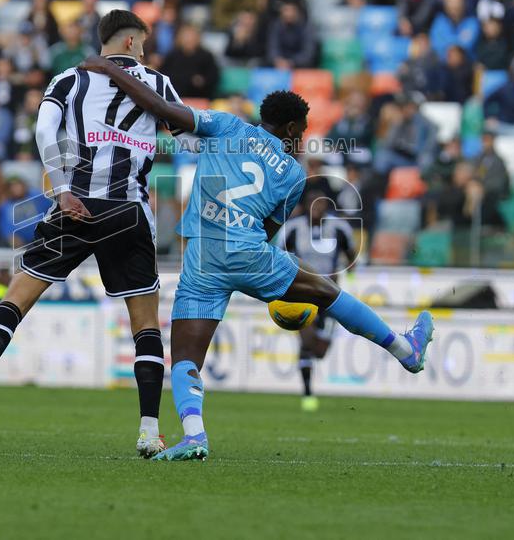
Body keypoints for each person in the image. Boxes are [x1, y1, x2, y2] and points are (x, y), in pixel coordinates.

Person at [80, 55, 433, 461]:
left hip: (202, 256)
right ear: (288, 128)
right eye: (301, 131)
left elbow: (161, 110)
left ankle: (194, 435)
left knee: (186, 358)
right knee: (328, 292)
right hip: (247, 250)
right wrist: (265, 280)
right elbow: (268, 231)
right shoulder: (295, 175)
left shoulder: (227, 125)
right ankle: (405, 350)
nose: (302, 138)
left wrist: (112, 70)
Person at [0, 11, 186, 459]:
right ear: (131, 43)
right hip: (128, 212)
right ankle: (149, 430)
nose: (146, 51)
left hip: (74, 207)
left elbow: (42, 129)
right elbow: (181, 126)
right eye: (144, 43)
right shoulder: (158, 83)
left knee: (15, 300)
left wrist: (64, 188)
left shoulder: (69, 79)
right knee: (145, 325)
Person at [277, 189, 358, 411]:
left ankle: (316, 350)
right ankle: (307, 393)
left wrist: (345, 272)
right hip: (302, 294)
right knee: (306, 342)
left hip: (329, 295)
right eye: (312, 203)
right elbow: (277, 256)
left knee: (320, 352)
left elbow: (352, 256)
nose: (317, 208)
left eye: (320, 203)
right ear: (304, 206)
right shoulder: (292, 228)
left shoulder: (340, 228)